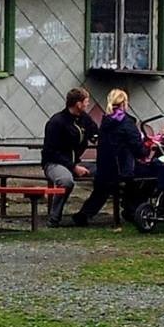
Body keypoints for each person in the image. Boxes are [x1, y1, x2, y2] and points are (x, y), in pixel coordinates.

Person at [70, 87, 146, 227]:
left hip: (105, 167)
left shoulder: (106, 122)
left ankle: (84, 214)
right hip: (122, 169)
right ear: (124, 104)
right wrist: (145, 150)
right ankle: (133, 209)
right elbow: (138, 148)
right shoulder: (126, 122)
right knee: (145, 177)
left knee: (102, 189)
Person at [40, 87, 98, 226]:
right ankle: (54, 218)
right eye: (86, 101)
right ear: (78, 104)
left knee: (106, 173)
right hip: (55, 163)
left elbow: (94, 131)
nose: (87, 104)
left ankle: (85, 213)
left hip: (75, 162)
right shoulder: (56, 122)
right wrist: (73, 167)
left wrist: (96, 137)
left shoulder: (84, 118)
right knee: (66, 181)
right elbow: (50, 151)